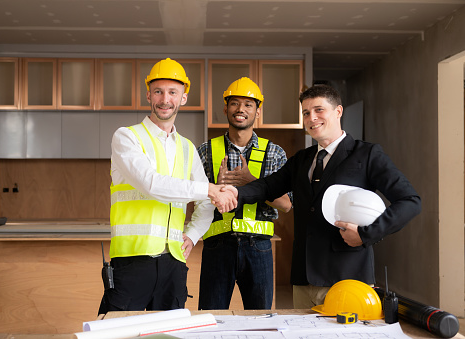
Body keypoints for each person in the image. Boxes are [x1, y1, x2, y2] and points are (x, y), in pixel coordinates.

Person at [223, 84, 421, 309]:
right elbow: (268, 186)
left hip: (346, 277)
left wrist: (367, 234)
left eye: (319, 110)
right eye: (306, 113)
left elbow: (410, 201)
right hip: (303, 279)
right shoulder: (302, 159)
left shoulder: (366, 154)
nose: (311, 118)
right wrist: (234, 192)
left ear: (338, 111)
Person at [98, 58, 236, 314]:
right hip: (132, 261)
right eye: (159, 91)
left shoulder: (187, 148)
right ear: (148, 94)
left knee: (170, 333)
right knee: (118, 332)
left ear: (183, 98)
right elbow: (152, 184)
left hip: (174, 263)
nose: (165, 99)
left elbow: (206, 205)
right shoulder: (127, 137)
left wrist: (193, 236)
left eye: (173, 92)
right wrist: (209, 189)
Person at [197, 77, 292, 310]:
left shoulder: (275, 153)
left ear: (257, 112)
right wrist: (214, 190)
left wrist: (253, 183)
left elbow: (287, 204)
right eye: (235, 103)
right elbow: (193, 199)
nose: (241, 109)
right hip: (217, 247)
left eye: (248, 104)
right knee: (211, 319)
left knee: (260, 321)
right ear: (225, 109)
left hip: (258, 248)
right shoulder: (206, 150)